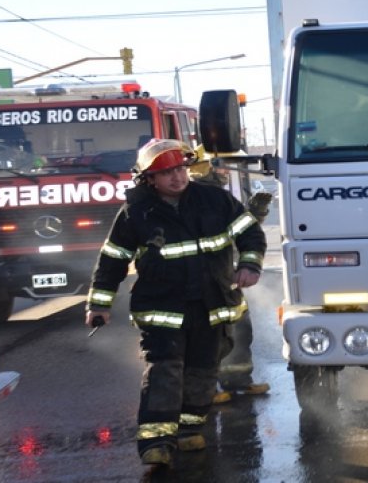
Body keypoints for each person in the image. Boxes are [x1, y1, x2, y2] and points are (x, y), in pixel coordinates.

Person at [85, 138, 266, 468]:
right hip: (162, 307)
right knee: (165, 369)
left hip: (211, 303)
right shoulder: (136, 212)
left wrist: (250, 264)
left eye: (181, 169)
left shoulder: (215, 200)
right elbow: (113, 258)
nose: (177, 177)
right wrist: (99, 304)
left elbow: (250, 233)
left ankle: (189, 429)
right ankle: (156, 441)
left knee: (203, 368)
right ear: (149, 178)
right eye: (167, 172)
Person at [187, 144, 273, 403]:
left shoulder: (219, 197)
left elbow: (241, 233)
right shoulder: (197, 199)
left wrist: (255, 213)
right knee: (206, 339)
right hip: (203, 283)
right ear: (207, 167)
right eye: (223, 167)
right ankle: (204, 391)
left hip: (225, 279)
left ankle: (238, 382)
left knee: (239, 332)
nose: (227, 172)